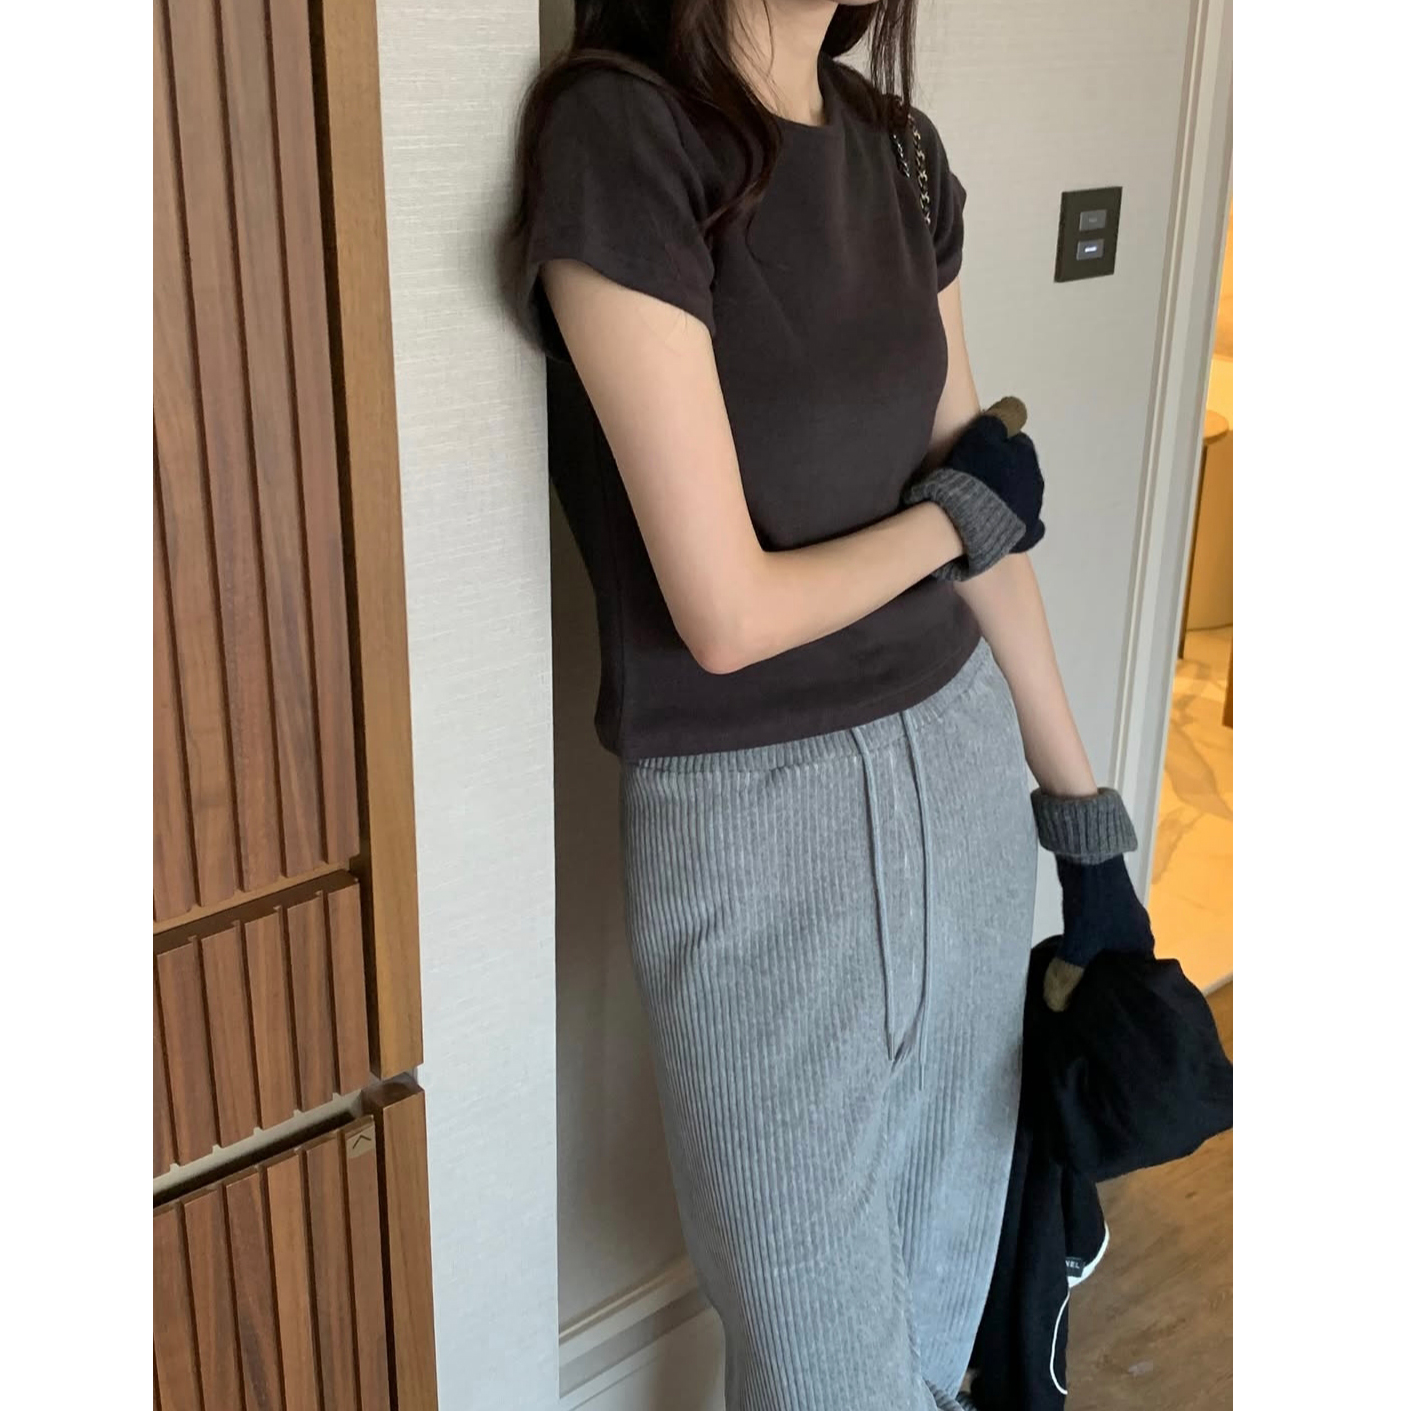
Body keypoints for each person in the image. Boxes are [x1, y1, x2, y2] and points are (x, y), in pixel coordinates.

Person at [506, 3, 1152, 1407]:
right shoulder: (623, 137)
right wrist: (954, 518)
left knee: (940, 1313)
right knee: (821, 1369)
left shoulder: (898, 152)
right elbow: (727, 614)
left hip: (962, 777)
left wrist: (1086, 829)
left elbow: (988, 517)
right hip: (758, 824)